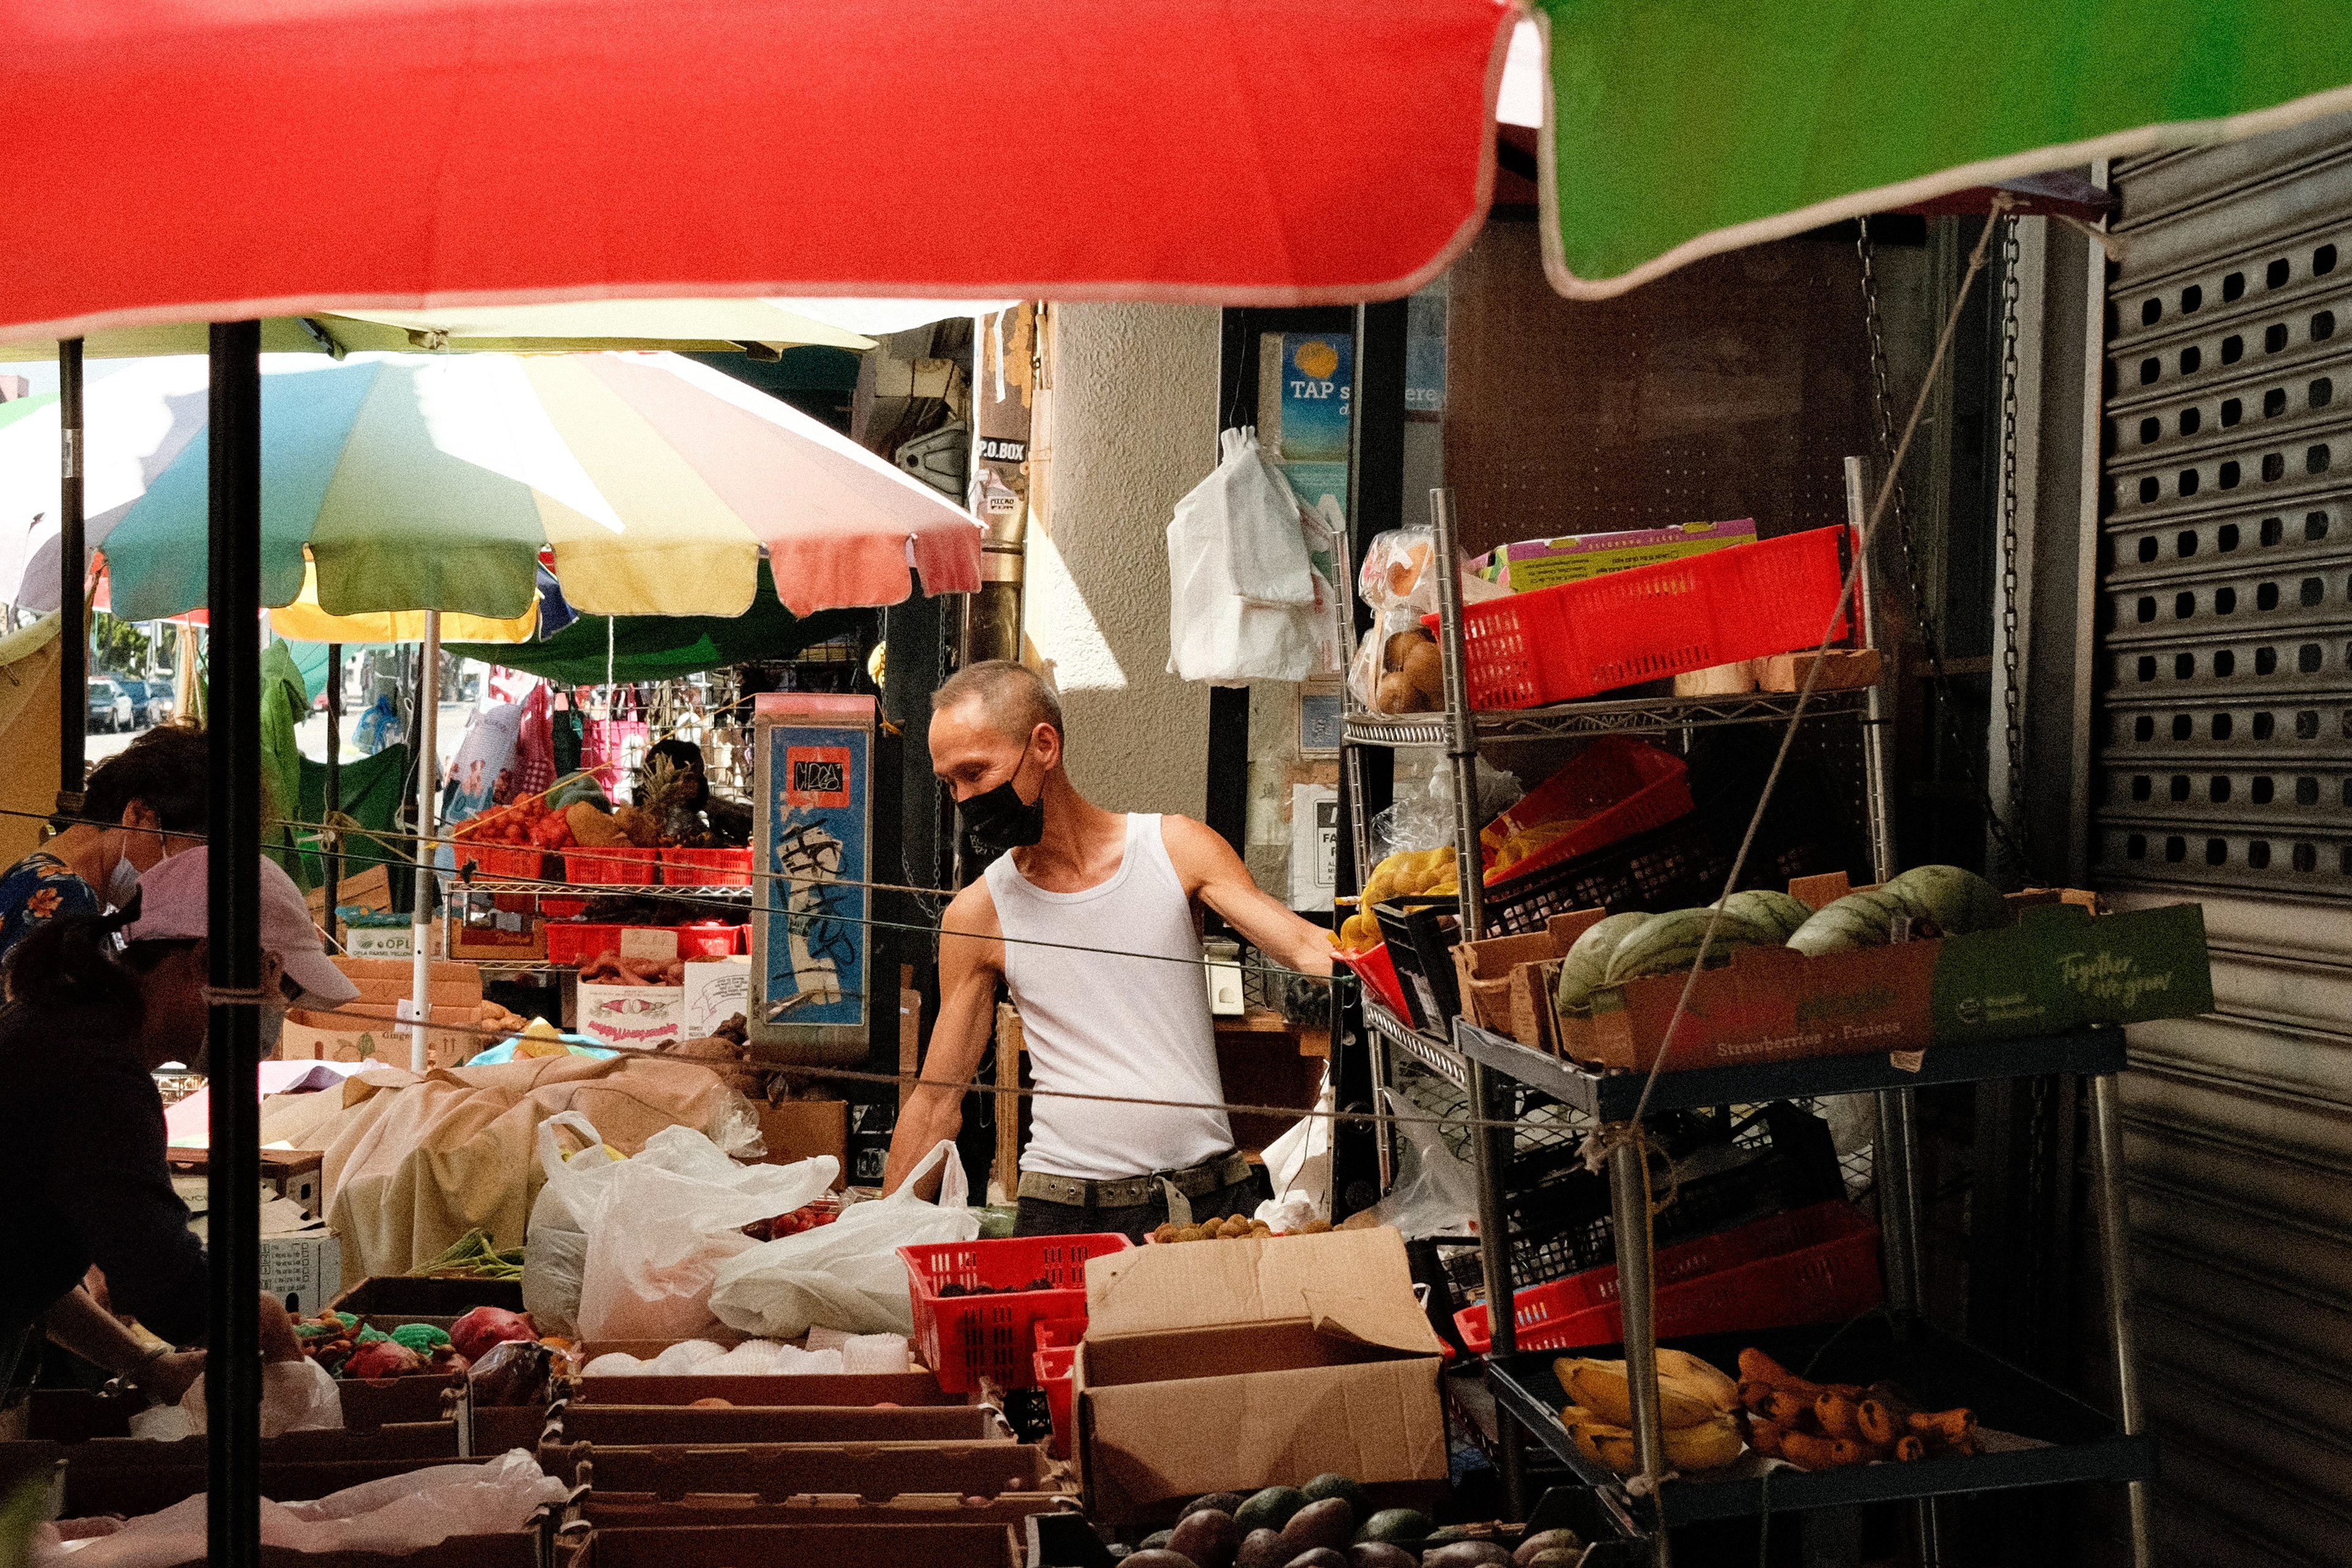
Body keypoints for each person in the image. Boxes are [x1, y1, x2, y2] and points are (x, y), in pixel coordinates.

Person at [880, 661, 1335, 1239]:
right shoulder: (978, 912)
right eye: (951, 783)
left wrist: (1417, 968)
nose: (965, 798)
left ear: (1044, 745)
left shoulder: (1174, 848)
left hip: (1210, 1206)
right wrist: (873, 1235)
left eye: (975, 772)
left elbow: (1301, 945)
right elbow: (937, 1100)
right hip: (1065, 1215)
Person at [0, 848, 358, 1412]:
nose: (274, 1016)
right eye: (277, 991)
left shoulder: (69, 1033)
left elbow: (29, 1277)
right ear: (209, 961)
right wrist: (259, 1314)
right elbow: (165, 1287)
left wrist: (151, 1367)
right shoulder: (94, 1071)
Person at [0, 723, 209, 965]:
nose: (183, 879)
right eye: (185, 860)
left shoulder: (41, 875)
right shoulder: (67, 895)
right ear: (138, 815)